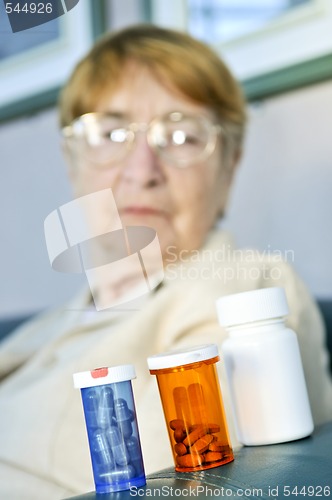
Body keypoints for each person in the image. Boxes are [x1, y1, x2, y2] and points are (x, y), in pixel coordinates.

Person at [0, 24, 331, 500]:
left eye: (180, 135)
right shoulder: (58, 321)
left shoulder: (244, 292)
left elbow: (195, 484)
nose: (142, 170)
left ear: (230, 165)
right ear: (72, 161)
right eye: (110, 132)